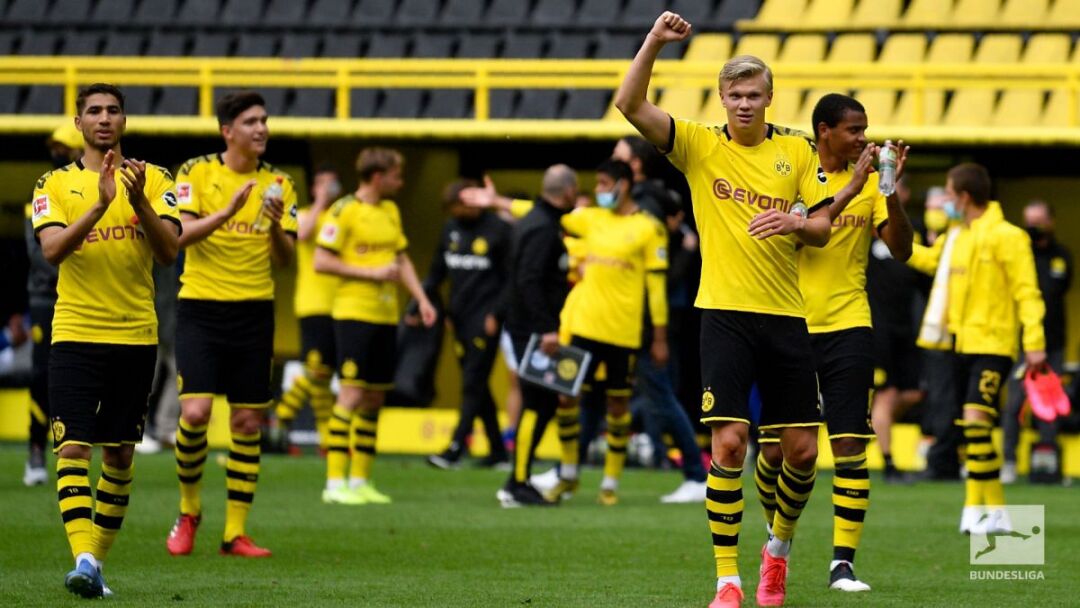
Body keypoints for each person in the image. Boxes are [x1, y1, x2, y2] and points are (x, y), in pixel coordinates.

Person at [614, 12, 874, 607]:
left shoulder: (797, 150)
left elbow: (821, 228)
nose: (745, 104)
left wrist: (795, 222)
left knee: (802, 453)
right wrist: (654, 41)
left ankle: (776, 550)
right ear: (722, 99)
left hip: (786, 316)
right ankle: (727, 581)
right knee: (729, 445)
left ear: (769, 97)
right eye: (735, 95)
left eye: (754, 94)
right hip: (723, 315)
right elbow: (629, 104)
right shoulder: (698, 145)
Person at [754, 94, 913, 593]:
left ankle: (843, 564)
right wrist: (852, 188)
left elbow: (902, 249)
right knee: (775, 452)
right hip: (790, 324)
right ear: (825, 131)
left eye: (865, 129)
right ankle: (776, 540)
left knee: (848, 445)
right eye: (854, 130)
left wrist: (889, 192)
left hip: (849, 325)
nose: (863, 138)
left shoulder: (871, 186)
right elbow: (800, 235)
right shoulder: (796, 174)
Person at [32, 83, 180, 597]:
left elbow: (169, 252)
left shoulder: (154, 179)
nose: (103, 118)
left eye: (112, 110)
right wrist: (99, 206)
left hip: (135, 334)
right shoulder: (54, 183)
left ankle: (94, 564)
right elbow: (52, 250)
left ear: (123, 121)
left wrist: (137, 201)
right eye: (93, 111)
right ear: (79, 123)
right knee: (73, 446)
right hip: (75, 332)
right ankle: (83, 557)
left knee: (118, 456)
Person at [167, 91, 298, 558]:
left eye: (264, 120)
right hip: (201, 308)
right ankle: (189, 511)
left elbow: (285, 259)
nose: (261, 129)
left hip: (254, 311)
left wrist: (276, 226)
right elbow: (179, 236)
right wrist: (226, 213)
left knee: (246, 420)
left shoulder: (280, 183)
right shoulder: (195, 171)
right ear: (228, 131)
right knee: (195, 413)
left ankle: (234, 533)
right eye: (250, 122)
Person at [907, 163, 1046, 534]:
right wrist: (894, 239)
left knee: (975, 421)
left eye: (949, 195)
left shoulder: (1008, 237)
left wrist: (1034, 343)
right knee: (971, 430)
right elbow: (930, 261)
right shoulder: (957, 236)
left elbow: (1027, 292)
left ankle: (984, 509)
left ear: (965, 197)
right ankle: (985, 512)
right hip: (958, 344)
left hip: (994, 346)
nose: (945, 202)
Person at [542, 159, 670, 506]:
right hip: (583, 327)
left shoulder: (648, 228)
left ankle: (610, 483)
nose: (598, 190)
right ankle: (568, 475)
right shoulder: (591, 218)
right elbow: (545, 213)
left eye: (602, 183)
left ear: (622, 185)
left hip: (622, 334)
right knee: (565, 397)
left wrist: (659, 337)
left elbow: (656, 289)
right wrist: (496, 202)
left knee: (617, 405)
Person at [313, 147, 436, 505]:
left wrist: (422, 299)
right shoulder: (344, 210)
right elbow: (322, 261)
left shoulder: (390, 210)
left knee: (374, 398)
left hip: (385, 315)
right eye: (396, 175)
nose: (401, 182)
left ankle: (360, 480)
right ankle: (334, 482)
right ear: (378, 177)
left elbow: (401, 259)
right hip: (354, 314)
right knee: (350, 394)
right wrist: (371, 273)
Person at [613, 135, 709, 503]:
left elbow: (655, 270)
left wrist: (655, 330)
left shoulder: (646, 203)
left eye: (618, 158)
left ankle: (694, 471)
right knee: (610, 390)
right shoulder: (650, 199)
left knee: (659, 391)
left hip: (647, 314)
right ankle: (567, 470)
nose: (611, 165)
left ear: (635, 164)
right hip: (641, 311)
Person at [495, 164, 578, 507]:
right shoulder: (543, 227)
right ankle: (517, 483)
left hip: (527, 327)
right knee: (538, 403)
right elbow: (529, 281)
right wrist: (546, 328)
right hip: (533, 331)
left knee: (541, 403)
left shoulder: (535, 220)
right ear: (568, 192)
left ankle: (517, 480)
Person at [425, 179, 513, 469]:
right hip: (458, 318)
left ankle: (455, 447)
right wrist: (423, 305)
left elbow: (511, 279)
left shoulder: (499, 229)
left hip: (485, 319)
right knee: (477, 383)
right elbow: (437, 271)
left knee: (472, 383)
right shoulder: (451, 228)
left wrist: (496, 314)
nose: (460, 211)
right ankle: (498, 450)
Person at [22, 124, 82, 486]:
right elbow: (42, 256)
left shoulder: (92, 198)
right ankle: (35, 449)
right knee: (41, 374)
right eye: (54, 148)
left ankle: (80, 447)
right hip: (48, 298)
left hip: (88, 300)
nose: (57, 154)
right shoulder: (40, 197)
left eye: (64, 148)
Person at [273, 166, 343, 452]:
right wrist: (320, 203)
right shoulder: (303, 214)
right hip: (313, 303)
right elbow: (301, 235)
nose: (328, 189)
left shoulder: (343, 215)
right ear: (314, 189)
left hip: (341, 304)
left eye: (332, 184)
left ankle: (326, 439)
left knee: (324, 373)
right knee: (317, 369)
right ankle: (281, 417)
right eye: (322, 184)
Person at [1001, 200, 1072, 483]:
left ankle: (1047, 464)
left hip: (1053, 344)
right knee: (1014, 404)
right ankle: (1008, 462)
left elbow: (1060, 290)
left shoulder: (1061, 256)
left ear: (1050, 222)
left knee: (1050, 405)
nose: (1033, 227)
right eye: (1029, 222)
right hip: (1021, 345)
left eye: (1038, 221)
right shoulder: (1019, 255)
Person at [866, 178, 928, 482]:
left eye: (898, 187)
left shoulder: (910, 231)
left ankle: (874, 421)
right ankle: (889, 463)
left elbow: (924, 272)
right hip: (878, 327)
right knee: (887, 394)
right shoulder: (868, 227)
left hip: (905, 325)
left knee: (914, 393)